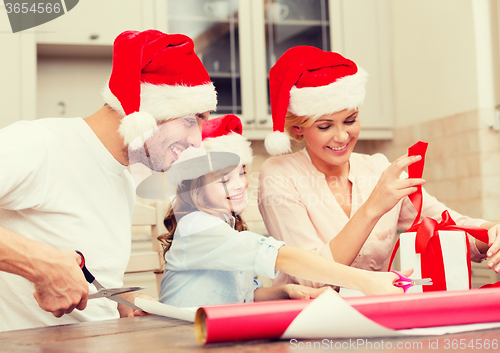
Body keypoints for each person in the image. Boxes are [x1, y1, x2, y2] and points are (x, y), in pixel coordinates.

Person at [0, 29, 217, 331]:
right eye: (191, 120)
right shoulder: (39, 144)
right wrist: (40, 264)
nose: (197, 141)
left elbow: (94, 285)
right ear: (148, 110)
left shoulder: (123, 181)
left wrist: (124, 301)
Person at [258, 45, 500, 289]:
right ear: (299, 128)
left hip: (380, 313)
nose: (342, 136)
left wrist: (491, 233)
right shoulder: (279, 174)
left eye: (350, 120)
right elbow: (310, 277)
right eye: (325, 126)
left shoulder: (377, 168)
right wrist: (373, 207)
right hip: (308, 319)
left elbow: (448, 224)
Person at [157, 115, 408, 308]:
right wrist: (367, 281)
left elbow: (244, 297)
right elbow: (284, 257)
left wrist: (285, 292)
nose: (239, 185)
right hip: (181, 337)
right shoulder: (197, 226)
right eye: (224, 179)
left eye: (242, 173)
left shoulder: (229, 228)